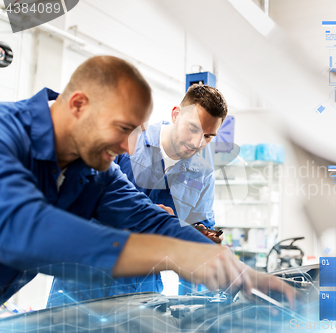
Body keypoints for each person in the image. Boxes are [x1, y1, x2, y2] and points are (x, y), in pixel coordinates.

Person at [0, 55, 295, 307]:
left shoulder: (94, 171)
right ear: (78, 105)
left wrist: (233, 267)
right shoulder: (6, 135)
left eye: (136, 132)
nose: (128, 148)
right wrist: (171, 252)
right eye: (122, 128)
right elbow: (22, 227)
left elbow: (150, 219)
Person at [109, 84, 226, 296]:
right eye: (193, 128)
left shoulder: (202, 174)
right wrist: (153, 219)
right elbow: (84, 202)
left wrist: (203, 237)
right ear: (175, 114)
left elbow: (200, 232)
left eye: (209, 136)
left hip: (144, 286)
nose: (198, 142)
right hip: (88, 278)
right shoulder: (128, 140)